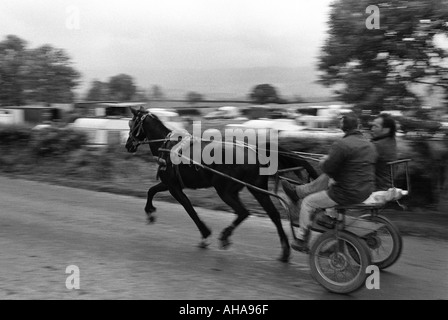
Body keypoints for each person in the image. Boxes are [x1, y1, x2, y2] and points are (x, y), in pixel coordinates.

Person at [281, 113, 378, 252]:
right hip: (366, 189)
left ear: (342, 128)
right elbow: (353, 165)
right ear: (359, 126)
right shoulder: (370, 145)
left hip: (346, 193)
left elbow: (328, 168)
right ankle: (302, 194)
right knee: (328, 178)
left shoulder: (341, 144)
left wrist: (324, 161)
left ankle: (302, 239)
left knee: (308, 202)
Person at [370, 113, 398, 190]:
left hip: (377, 188)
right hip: (388, 186)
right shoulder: (391, 141)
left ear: (386, 130)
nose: (372, 129)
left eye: (376, 126)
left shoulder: (377, 145)